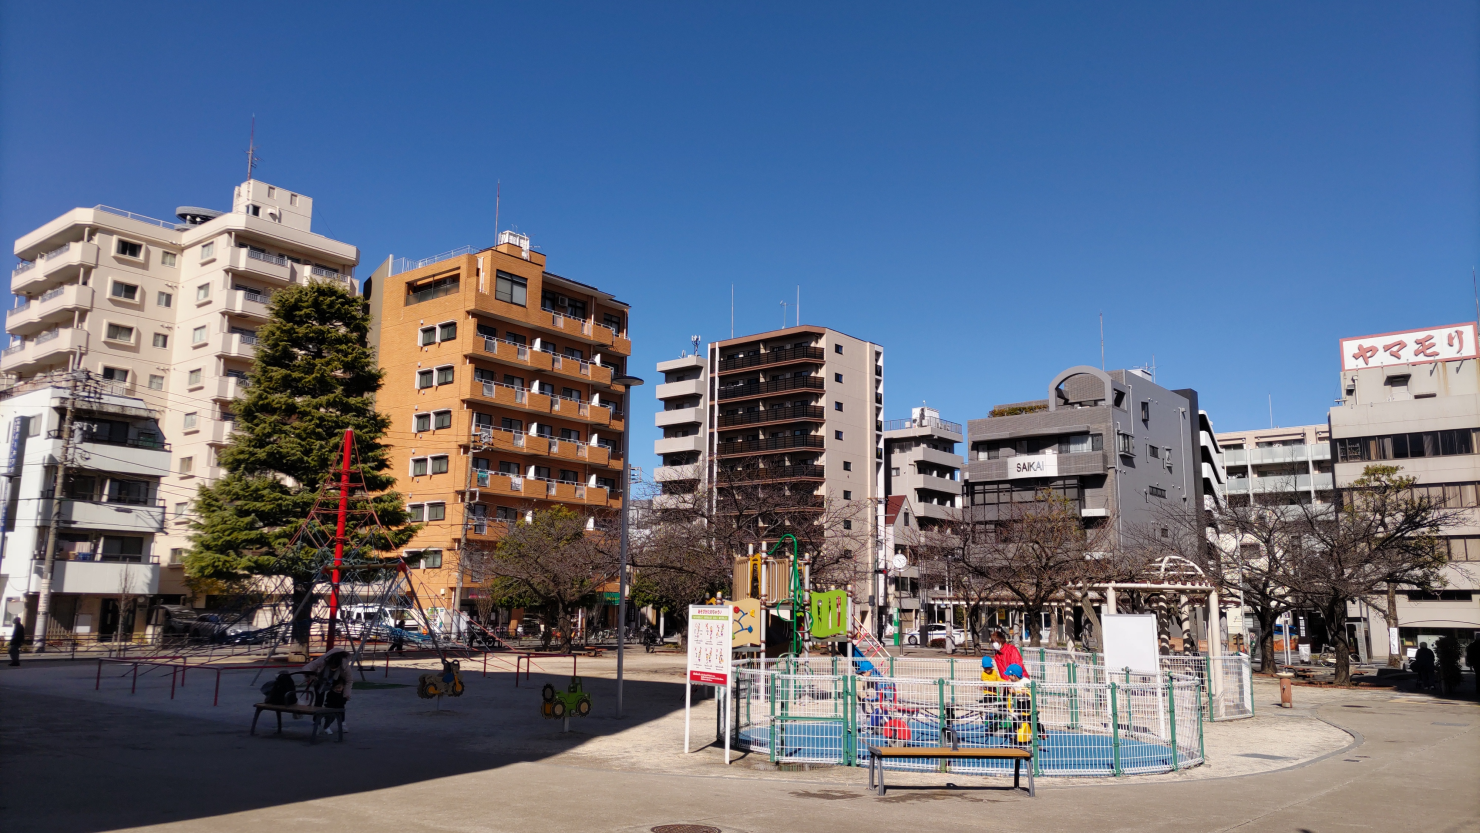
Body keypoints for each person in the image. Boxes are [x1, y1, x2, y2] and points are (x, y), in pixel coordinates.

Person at [302, 646, 352, 733]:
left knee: (339, 702)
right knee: (319, 701)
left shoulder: (344, 665)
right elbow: (307, 667)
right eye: (331, 666)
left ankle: (342, 723)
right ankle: (316, 723)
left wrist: (346, 694)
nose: (333, 668)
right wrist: (311, 676)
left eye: (335, 667)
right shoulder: (322, 660)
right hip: (320, 681)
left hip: (336, 682)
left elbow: (349, 680)